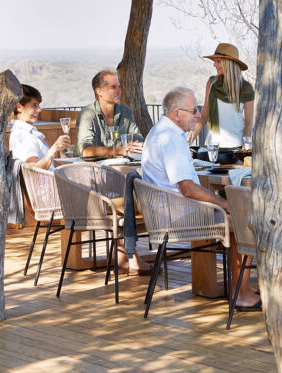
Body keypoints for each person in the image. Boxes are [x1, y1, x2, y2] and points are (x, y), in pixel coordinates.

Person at [142, 86, 260, 310]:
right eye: (193, 110)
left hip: (163, 211)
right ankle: (242, 293)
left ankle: (243, 287)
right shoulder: (171, 138)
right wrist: (223, 203)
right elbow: (188, 188)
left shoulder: (158, 131)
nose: (198, 115)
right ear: (177, 113)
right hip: (177, 215)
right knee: (242, 218)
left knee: (234, 210)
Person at [191, 43, 255, 149]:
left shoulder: (246, 88)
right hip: (213, 146)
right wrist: (190, 138)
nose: (214, 65)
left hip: (236, 146)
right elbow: (204, 115)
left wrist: (245, 148)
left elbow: (249, 122)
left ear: (228, 63)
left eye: (218, 61)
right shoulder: (211, 83)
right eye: (214, 61)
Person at [75, 70, 143, 158]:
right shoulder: (87, 114)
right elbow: (86, 151)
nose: (119, 91)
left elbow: (138, 141)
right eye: (113, 87)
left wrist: (134, 147)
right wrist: (119, 150)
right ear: (99, 91)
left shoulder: (126, 111)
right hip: (92, 169)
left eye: (119, 87)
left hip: (121, 167)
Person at [9, 84, 72, 170]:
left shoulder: (22, 132)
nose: (39, 109)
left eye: (38, 105)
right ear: (19, 107)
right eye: (34, 106)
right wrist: (53, 149)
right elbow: (31, 170)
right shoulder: (23, 136)